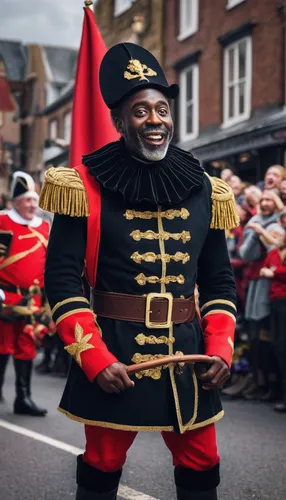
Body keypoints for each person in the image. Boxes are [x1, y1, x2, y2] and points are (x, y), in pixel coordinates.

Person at [40, 43, 238, 500]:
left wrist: (221, 348)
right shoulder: (82, 186)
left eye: (163, 109)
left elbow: (220, 281)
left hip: (188, 356)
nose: (155, 120)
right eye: (141, 110)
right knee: (103, 462)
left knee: (202, 461)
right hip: (115, 349)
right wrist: (93, 358)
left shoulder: (207, 189)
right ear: (119, 120)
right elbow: (64, 281)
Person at [0, 171, 50, 416]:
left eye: (34, 199)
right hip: (5, 296)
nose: (33, 205)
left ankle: (24, 398)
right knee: (2, 346)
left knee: (27, 346)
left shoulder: (43, 227)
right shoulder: (2, 222)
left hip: (33, 299)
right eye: (28, 200)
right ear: (16, 201)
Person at [260, 233, 286, 412]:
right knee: (278, 347)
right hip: (276, 301)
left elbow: (271, 269)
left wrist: (275, 271)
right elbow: (264, 267)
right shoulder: (277, 251)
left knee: (282, 347)